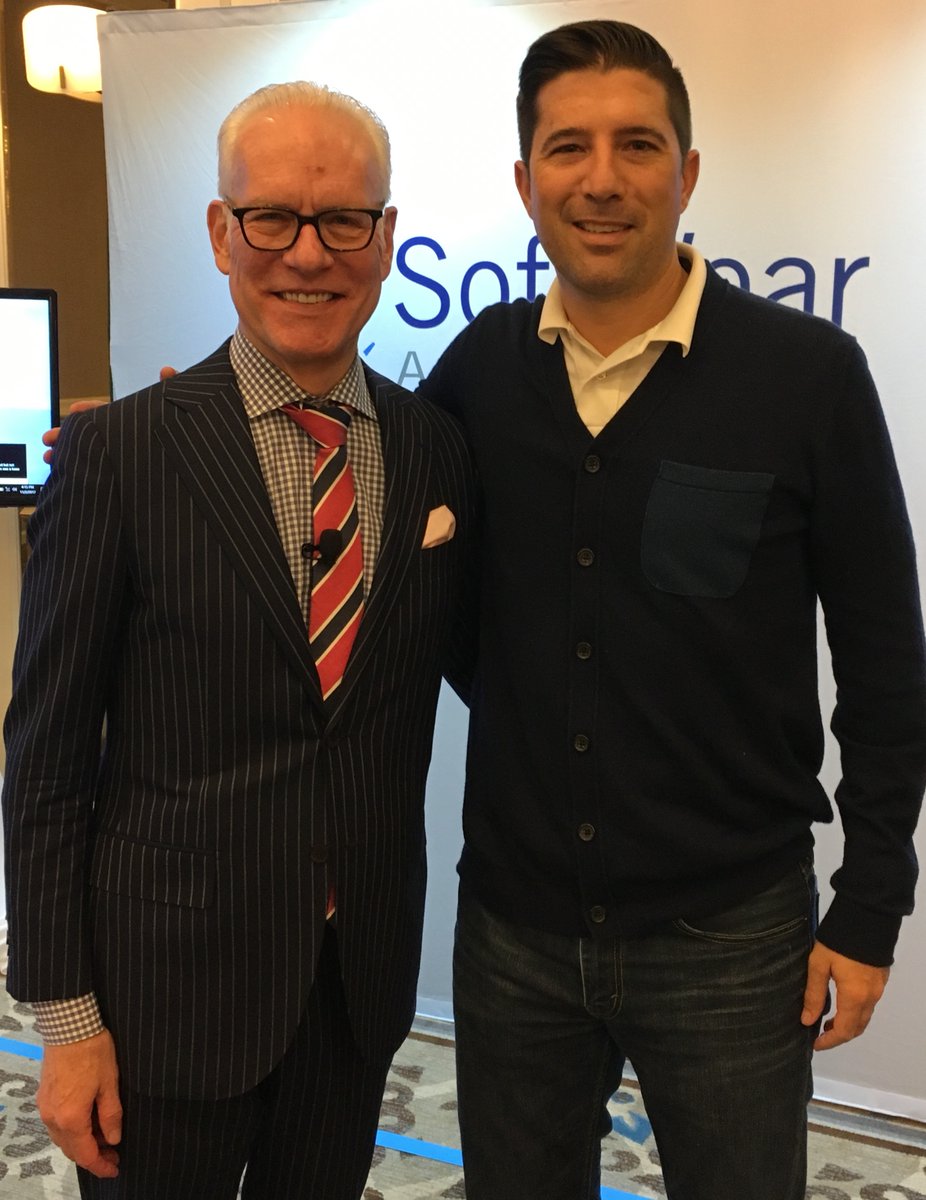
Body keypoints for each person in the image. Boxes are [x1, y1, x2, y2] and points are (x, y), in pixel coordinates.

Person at [418, 19, 926, 1200]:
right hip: (513, 935)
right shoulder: (478, 372)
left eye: (636, 145)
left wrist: (866, 909)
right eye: (567, 147)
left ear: (686, 173)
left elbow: (886, 668)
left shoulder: (806, 376)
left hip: (732, 939)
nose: (600, 180)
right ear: (524, 181)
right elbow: (411, 569)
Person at [2, 81, 473, 1200]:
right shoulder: (118, 456)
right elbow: (48, 762)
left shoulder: (436, 451)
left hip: (352, 989)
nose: (308, 254)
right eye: (271, 218)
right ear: (222, 233)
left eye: (342, 219)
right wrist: (64, 1018)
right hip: (161, 1001)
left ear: (384, 238)